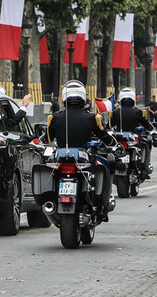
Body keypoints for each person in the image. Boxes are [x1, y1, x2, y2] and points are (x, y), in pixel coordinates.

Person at [48, 80, 119, 221]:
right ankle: (102, 203)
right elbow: (104, 136)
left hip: (61, 157)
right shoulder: (92, 117)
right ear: (82, 97)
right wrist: (113, 143)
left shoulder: (54, 117)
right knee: (106, 164)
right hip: (84, 157)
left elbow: (48, 139)